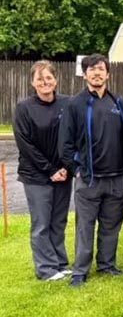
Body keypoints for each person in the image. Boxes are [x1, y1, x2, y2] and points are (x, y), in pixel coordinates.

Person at [59, 54, 123, 287]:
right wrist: (76, 169)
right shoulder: (75, 104)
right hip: (89, 178)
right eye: (91, 69)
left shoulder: (118, 102)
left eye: (101, 69)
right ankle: (80, 270)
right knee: (85, 226)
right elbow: (65, 144)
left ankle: (107, 265)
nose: (97, 73)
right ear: (85, 74)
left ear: (107, 74)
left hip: (117, 176)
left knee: (112, 224)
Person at [13, 61, 72, 281]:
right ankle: (46, 269)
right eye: (40, 79)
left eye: (48, 78)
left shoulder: (67, 103)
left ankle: (60, 263)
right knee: (41, 224)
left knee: (58, 221)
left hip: (63, 173)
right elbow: (25, 144)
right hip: (36, 175)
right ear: (32, 82)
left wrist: (66, 167)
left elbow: (74, 136)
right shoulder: (24, 108)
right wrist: (50, 170)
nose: (45, 82)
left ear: (55, 80)